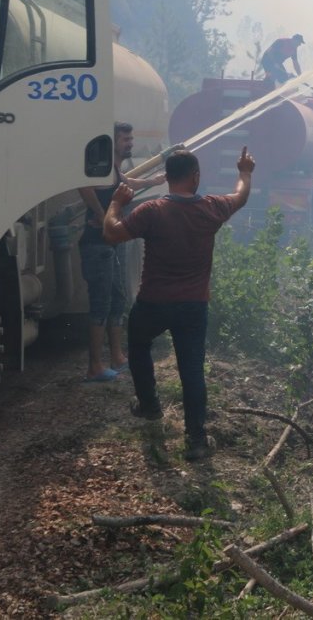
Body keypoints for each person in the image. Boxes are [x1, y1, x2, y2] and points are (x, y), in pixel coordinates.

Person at [103, 146, 254, 461]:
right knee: (192, 370)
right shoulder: (211, 207)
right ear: (195, 176)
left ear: (167, 178)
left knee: (139, 344)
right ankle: (196, 440)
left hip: (153, 302)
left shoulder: (152, 211)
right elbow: (240, 196)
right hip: (193, 306)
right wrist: (245, 172)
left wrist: (116, 203)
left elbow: (111, 234)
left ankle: (149, 405)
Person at [77, 122, 165, 382]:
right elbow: (82, 186)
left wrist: (155, 180)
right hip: (97, 244)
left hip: (110, 244)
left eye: (131, 138)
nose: (130, 143)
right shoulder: (97, 167)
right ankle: (94, 366)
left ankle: (117, 356)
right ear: (112, 141)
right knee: (101, 303)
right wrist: (101, 215)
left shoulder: (112, 168)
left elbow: (127, 183)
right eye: (125, 139)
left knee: (116, 300)